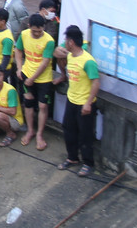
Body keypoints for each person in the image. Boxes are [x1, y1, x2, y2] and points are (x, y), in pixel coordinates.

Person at [58, 25, 99, 175]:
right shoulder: (69, 56)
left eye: (66, 40)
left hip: (84, 103)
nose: (65, 43)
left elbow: (96, 82)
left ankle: (88, 162)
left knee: (85, 135)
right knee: (68, 129)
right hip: (72, 100)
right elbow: (57, 52)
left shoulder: (88, 61)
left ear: (71, 42)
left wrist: (88, 103)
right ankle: (72, 157)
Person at [18, 13, 55, 151]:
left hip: (43, 78)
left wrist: (32, 79)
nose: (37, 33)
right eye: (34, 31)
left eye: (40, 31)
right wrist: (19, 68)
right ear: (29, 27)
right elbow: (18, 50)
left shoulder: (49, 41)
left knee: (43, 106)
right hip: (27, 73)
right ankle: (30, 130)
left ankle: (40, 134)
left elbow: (45, 62)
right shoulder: (24, 35)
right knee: (28, 103)